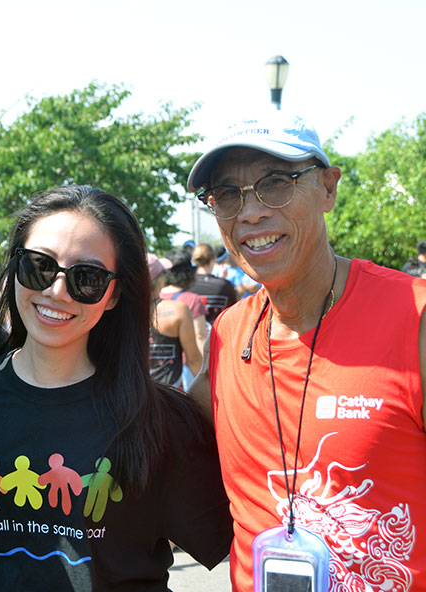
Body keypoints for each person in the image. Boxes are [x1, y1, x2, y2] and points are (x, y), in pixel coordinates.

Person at [0, 185, 232, 591]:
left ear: (115, 294)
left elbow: (242, 545)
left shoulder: (159, 418)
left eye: (86, 278)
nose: (57, 291)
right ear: (14, 264)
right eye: (39, 266)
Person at [187, 112, 426, 591]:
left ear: (328, 188)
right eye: (227, 195)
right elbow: (160, 432)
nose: (251, 212)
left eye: (275, 182)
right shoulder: (230, 335)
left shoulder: (413, 318)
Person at [146, 253, 202, 386]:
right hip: (168, 393)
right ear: (160, 281)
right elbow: (193, 360)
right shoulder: (179, 310)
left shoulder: (120, 311)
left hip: (130, 395)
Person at [189, 244, 237, 324]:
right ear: (213, 259)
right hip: (218, 333)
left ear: (193, 260)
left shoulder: (186, 285)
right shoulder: (225, 286)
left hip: (191, 333)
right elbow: (233, 312)